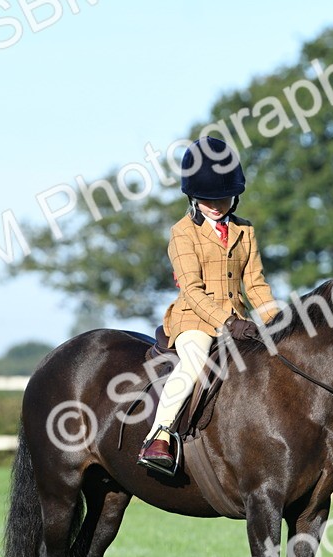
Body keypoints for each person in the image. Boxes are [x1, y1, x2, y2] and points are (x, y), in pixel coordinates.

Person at [137, 136, 280, 474]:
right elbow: (191, 290)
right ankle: (159, 435)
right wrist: (227, 322)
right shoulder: (182, 232)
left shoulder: (245, 231)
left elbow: (256, 285)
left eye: (223, 198)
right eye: (207, 199)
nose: (216, 205)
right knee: (195, 362)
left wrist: (278, 324)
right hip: (195, 321)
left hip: (239, 322)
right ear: (193, 197)